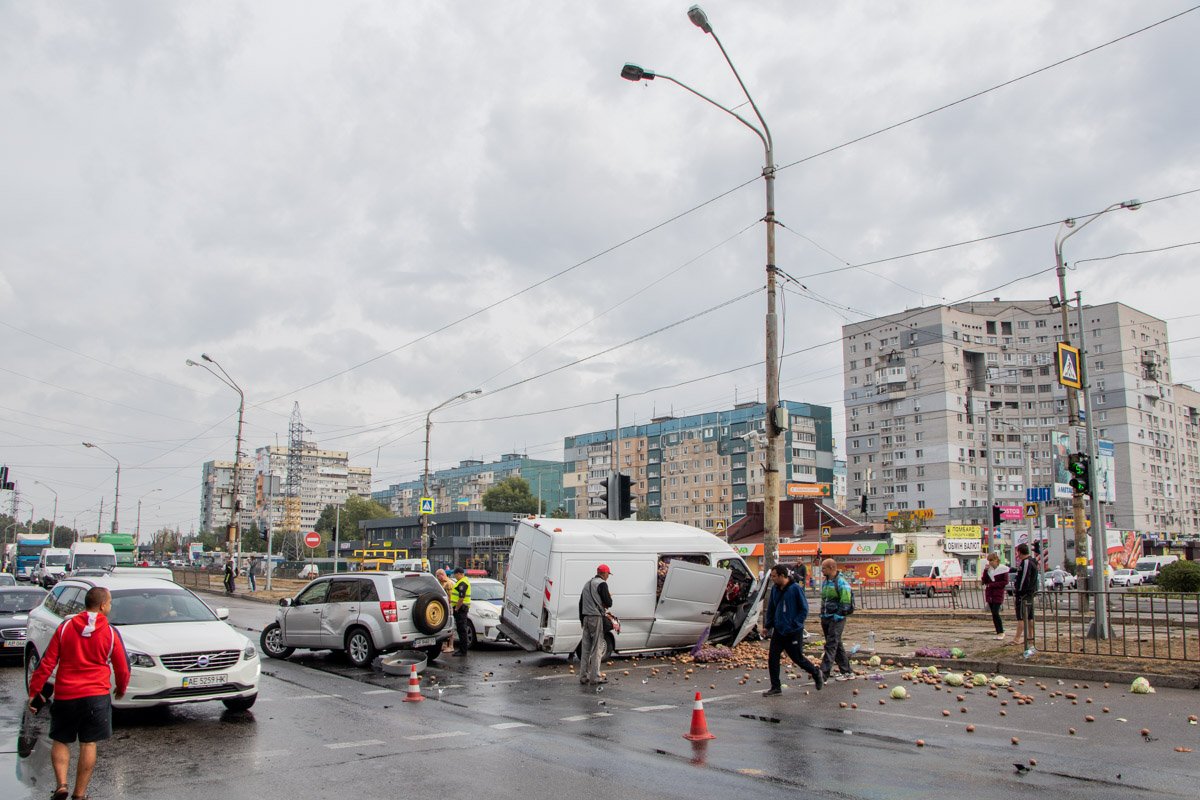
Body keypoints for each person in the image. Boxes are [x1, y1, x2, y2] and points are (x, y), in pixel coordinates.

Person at [27, 586, 130, 800]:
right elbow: (122, 668)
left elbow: (46, 663)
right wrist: (121, 688)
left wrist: (35, 691)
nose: (110, 606)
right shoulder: (110, 633)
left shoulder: (65, 627)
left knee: (60, 740)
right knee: (88, 743)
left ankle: (61, 785)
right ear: (102, 606)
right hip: (96, 696)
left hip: (66, 694)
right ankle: (79, 794)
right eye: (110, 603)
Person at [763, 563, 823, 696]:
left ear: (782, 576)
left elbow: (804, 609)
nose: (772, 578)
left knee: (797, 658)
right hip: (779, 630)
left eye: (774, 576)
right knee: (773, 658)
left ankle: (815, 672)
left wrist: (795, 623)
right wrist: (767, 626)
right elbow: (771, 608)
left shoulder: (795, 589)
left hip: (793, 631)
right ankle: (775, 687)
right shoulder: (775, 589)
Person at [818, 558, 856, 682]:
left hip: (836, 618)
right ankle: (847, 671)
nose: (822, 570)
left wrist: (838, 615)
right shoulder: (826, 582)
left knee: (831, 645)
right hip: (826, 617)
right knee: (837, 644)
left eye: (824, 568)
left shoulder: (841, 582)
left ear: (831, 568)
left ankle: (823, 674)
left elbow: (845, 602)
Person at [577, 564, 613, 686]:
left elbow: (581, 603)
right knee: (597, 648)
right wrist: (608, 598)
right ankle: (595, 677)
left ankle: (583, 676)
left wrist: (582, 620)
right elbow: (609, 602)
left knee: (585, 648)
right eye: (608, 574)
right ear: (604, 573)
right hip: (596, 617)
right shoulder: (602, 584)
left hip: (586, 617)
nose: (608, 576)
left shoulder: (587, 584)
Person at [1011, 543, 1038, 656]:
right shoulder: (1033, 561)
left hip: (1024, 594)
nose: (1017, 555)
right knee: (1030, 616)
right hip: (1030, 593)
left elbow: (1023, 579)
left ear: (1020, 552)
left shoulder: (1026, 562)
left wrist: (1018, 591)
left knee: (1021, 617)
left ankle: (1017, 638)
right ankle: (1031, 637)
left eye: (1017, 552)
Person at [980, 552, 1010, 640]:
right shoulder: (989, 570)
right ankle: (998, 631)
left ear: (996, 560)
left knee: (996, 612)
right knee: (993, 613)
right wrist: (985, 571)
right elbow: (984, 580)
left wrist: (993, 585)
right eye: (989, 561)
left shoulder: (1003, 569)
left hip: (998, 593)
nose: (990, 562)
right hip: (990, 593)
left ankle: (1001, 631)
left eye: (992, 560)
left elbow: (1005, 582)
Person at [449, 567, 471, 656]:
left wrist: (456, 608)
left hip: (461, 609)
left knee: (462, 630)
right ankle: (462, 650)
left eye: (455, 574)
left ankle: (463, 651)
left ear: (459, 574)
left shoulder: (462, 583)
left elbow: (461, 598)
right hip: (461, 608)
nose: (455, 576)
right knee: (461, 629)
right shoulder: (461, 581)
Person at [435, 569, 456, 652]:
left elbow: (450, 598)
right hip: (443, 607)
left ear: (442, 575)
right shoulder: (441, 583)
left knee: (450, 626)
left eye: (438, 576)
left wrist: (448, 606)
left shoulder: (449, 583)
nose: (437, 577)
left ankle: (451, 646)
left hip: (448, 607)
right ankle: (444, 645)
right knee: (444, 626)